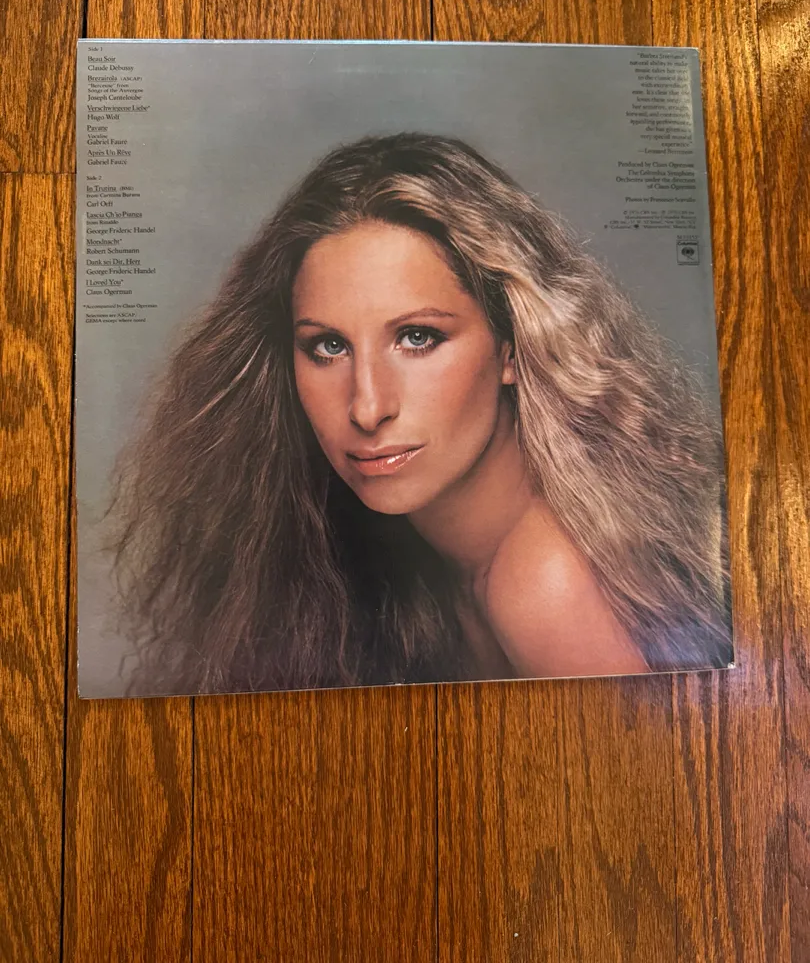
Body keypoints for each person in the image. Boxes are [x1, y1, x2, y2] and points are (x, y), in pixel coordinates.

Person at [109, 133, 732, 696]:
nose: (367, 407)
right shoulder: (434, 568)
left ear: (514, 346)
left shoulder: (546, 584)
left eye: (417, 337)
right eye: (328, 347)